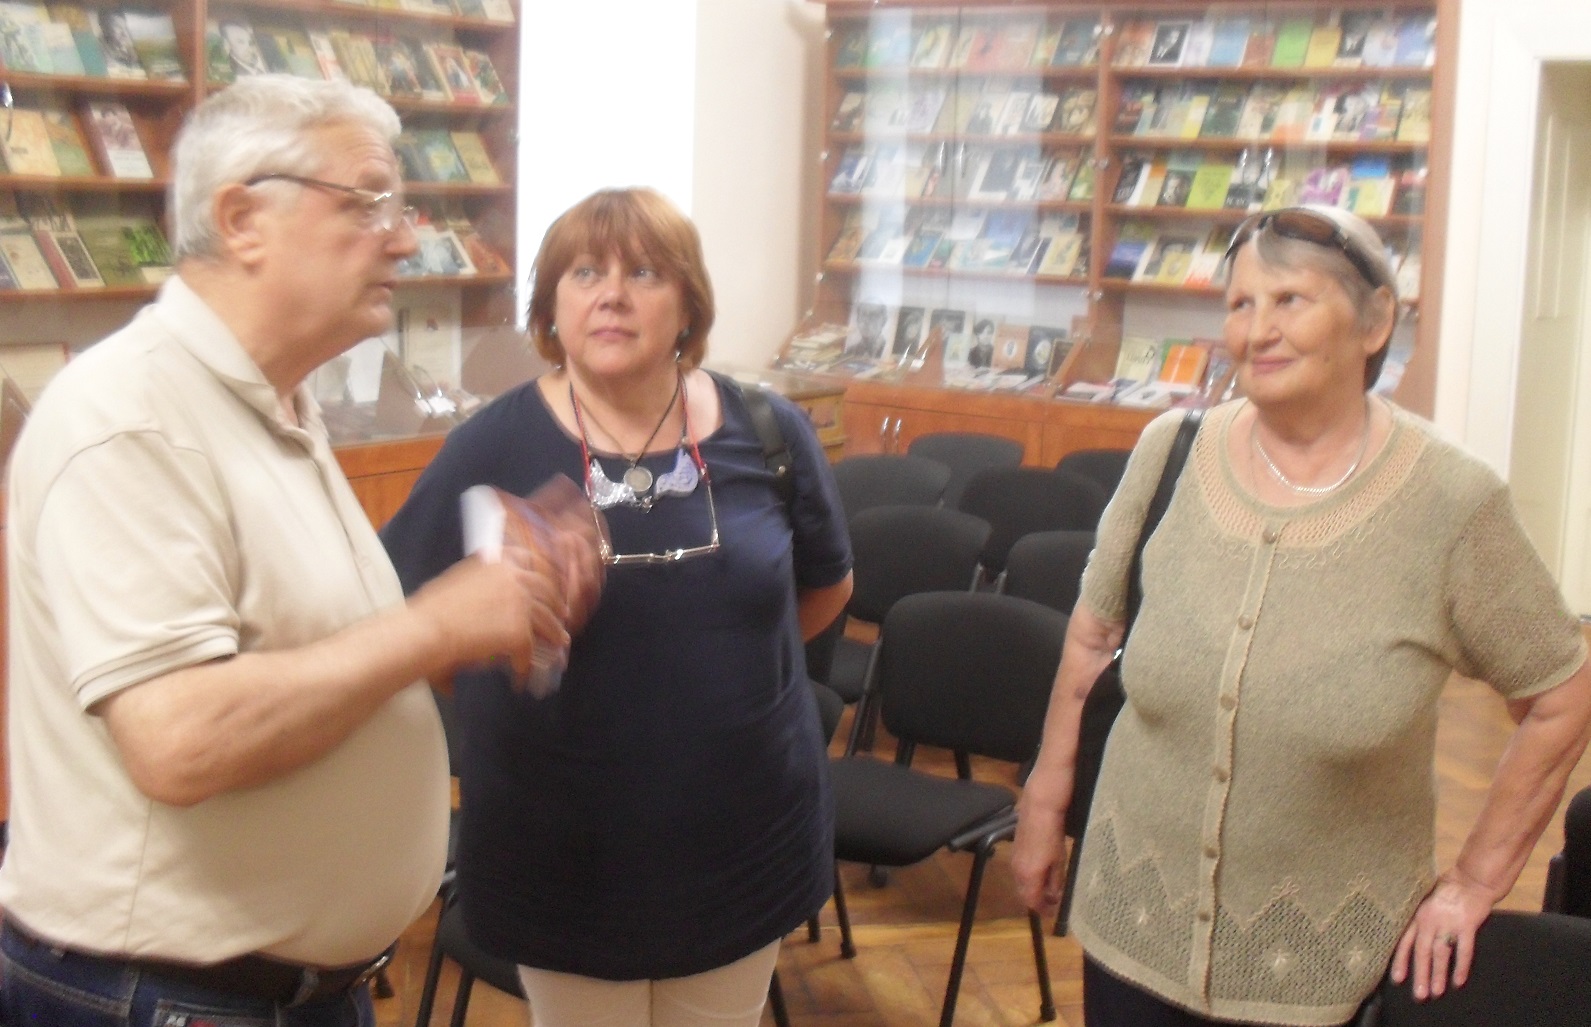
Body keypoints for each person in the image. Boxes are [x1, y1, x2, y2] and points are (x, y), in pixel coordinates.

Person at [0, 75, 593, 1027]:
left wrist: (480, 620)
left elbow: (312, 652)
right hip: (167, 996)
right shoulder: (131, 419)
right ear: (242, 220)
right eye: (368, 202)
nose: (405, 238)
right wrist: (433, 625)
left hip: (285, 991)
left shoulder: (273, 402)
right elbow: (179, 739)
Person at [1011, 205, 1591, 1027]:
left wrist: (1473, 880)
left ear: (1374, 321)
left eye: (1289, 300)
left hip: (1320, 970)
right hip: (1128, 923)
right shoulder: (1169, 451)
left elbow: (1562, 693)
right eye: (1240, 304)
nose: (1256, 331)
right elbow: (1093, 633)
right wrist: (1043, 800)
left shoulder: (1450, 501)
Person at [380, 187, 854, 1027]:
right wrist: (495, 645)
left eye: (643, 273)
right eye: (584, 272)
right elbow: (408, 622)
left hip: (742, 833)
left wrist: (725, 675)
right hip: (563, 849)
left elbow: (824, 588)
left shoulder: (769, 431)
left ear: (687, 305)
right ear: (550, 308)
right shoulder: (488, 446)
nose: (611, 295)